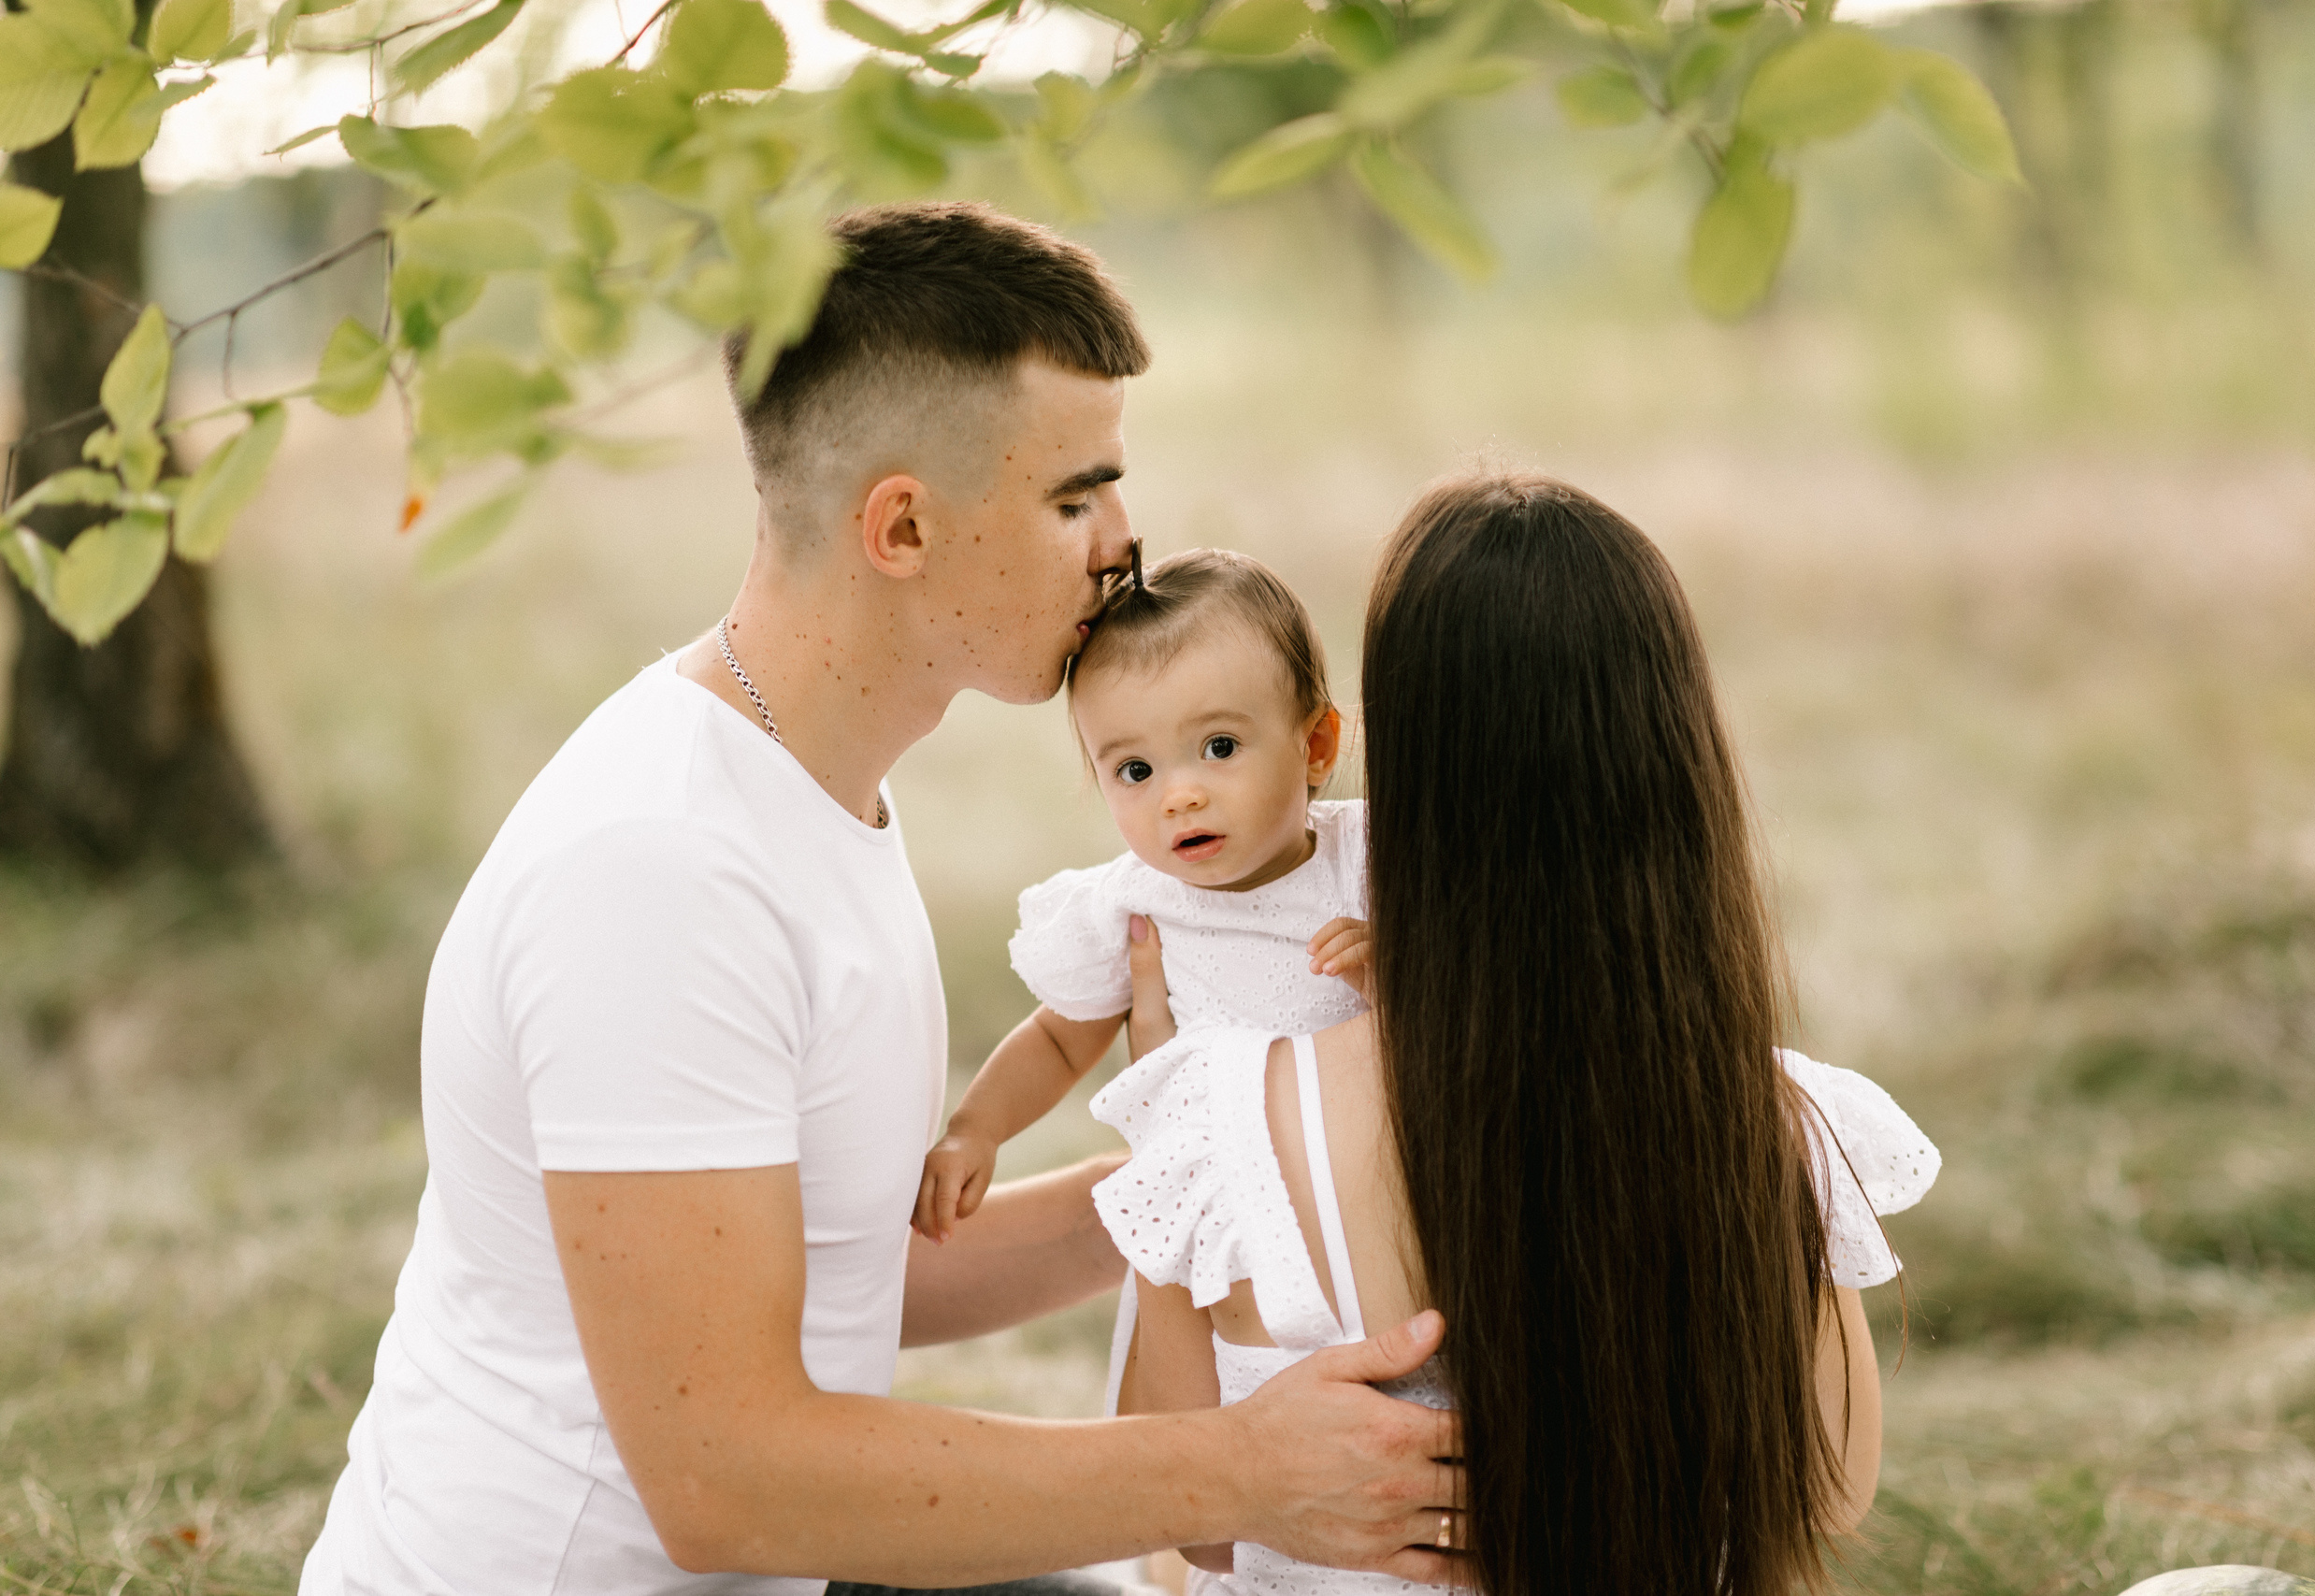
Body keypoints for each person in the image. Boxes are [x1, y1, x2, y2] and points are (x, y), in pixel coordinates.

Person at [298, 203, 1463, 1596]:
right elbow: (728, 1483)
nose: (1124, 542)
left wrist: (1250, 1157)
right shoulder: (660, 871)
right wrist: (1244, 1467)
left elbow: (841, 1272)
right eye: (1075, 493)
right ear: (903, 524)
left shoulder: (817, 788)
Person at [1098, 471, 1942, 1596]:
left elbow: (1186, 1529)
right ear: (1678, 772)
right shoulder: (1780, 1131)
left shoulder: (1219, 1126)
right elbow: (1823, 1495)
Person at [913, 547, 1374, 1248]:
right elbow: (1058, 1041)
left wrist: (1389, 971)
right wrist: (976, 1131)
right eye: (1136, 769)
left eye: (1220, 746)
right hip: (1217, 1227)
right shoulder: (1135, 904)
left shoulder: (1363, 862)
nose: (1179, 794)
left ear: (1314, 745)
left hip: (1361, 1203)